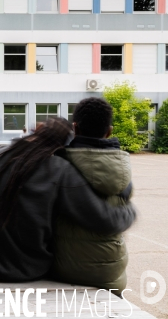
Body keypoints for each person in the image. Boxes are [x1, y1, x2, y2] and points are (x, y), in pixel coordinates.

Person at [0, 117, 136, 282]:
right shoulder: (59, 168)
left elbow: (15, 146)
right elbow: (102, 218)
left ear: (37, 132)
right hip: (27, 268)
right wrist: (129, 210)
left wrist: (33, 137)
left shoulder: (1, 156)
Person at [53, 98, 134, 293]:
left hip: (62, 268)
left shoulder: (58, 164)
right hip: (110, 271)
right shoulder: (122, 170)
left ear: (75, 128)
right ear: (109, 131)